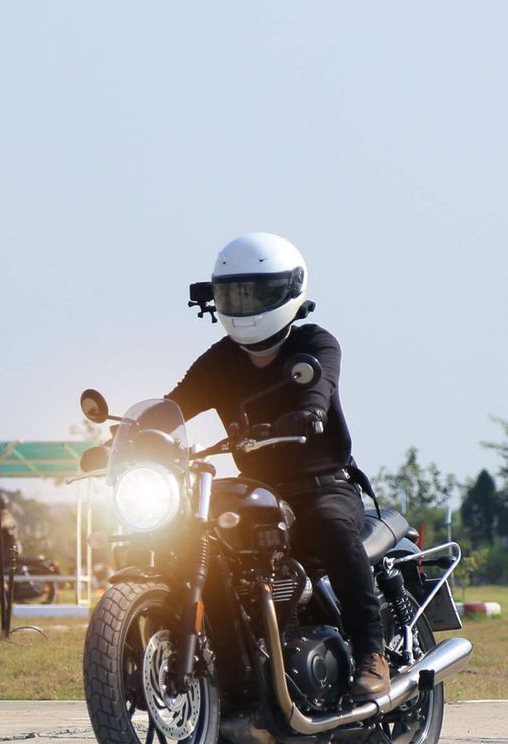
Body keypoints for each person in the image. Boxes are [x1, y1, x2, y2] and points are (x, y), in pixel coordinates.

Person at [165, 232, 390, 698]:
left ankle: (373, 652)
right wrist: (136, 430)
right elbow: (174, 406)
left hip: (322, 484)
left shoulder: (315, 343)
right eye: (234, 293)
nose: (245, 304)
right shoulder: (221, 360)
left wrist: (308, 411)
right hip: (257, 491)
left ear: (289, 291)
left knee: (331, 528)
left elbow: (319, 388)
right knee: (195, 540)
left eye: (258, 292)